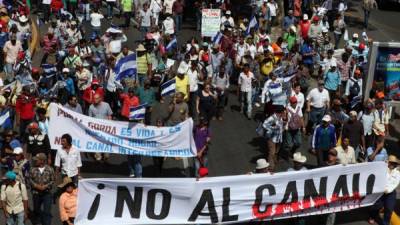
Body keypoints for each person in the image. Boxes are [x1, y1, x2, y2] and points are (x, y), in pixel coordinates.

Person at [369, 155, 400, 225]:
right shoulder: (382, 170)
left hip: (390, 193)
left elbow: (395, 184)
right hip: (380, 192)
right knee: (376, 206)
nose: (392, 164)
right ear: (388, 162)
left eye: (394, 163)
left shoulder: (397, 173)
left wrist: (388, 190)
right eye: (391, 162)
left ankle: (385, 223)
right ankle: (372, 216)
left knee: (389, 209)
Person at [30, 153, 54, 225]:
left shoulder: (50, 169)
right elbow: (29, 179)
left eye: (37, 160)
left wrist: (46, 186)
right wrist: (36, 186)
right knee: (36, 210)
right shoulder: (32, 169)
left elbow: (52, 180)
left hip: (47, 193)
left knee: (46, 212)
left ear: (42, 161)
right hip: (36, 193)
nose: (35, 161)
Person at [262, 105, 285, 171]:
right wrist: (272, 129)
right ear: (280, 112)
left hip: (278, 138)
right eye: (283, 111)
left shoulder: (280, 117)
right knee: (271, 152)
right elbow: (264, 125)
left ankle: (273, 162)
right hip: (272, 138)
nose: (284, 112)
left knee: (275, 152)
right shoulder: (272, 118)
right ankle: (270, 168)